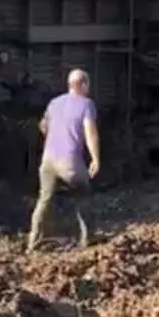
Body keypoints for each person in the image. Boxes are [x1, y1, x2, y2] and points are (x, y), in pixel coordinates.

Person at [27, 68, 102, 251]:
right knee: (84, 195)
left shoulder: (54, 103)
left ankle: (33, 243)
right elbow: (90, 134)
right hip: (69, 162)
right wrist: (95, 159)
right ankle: (87, 239)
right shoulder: (86, 104)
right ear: (84, 85)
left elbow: (43, 126)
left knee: (44, 200)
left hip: (48, 160)